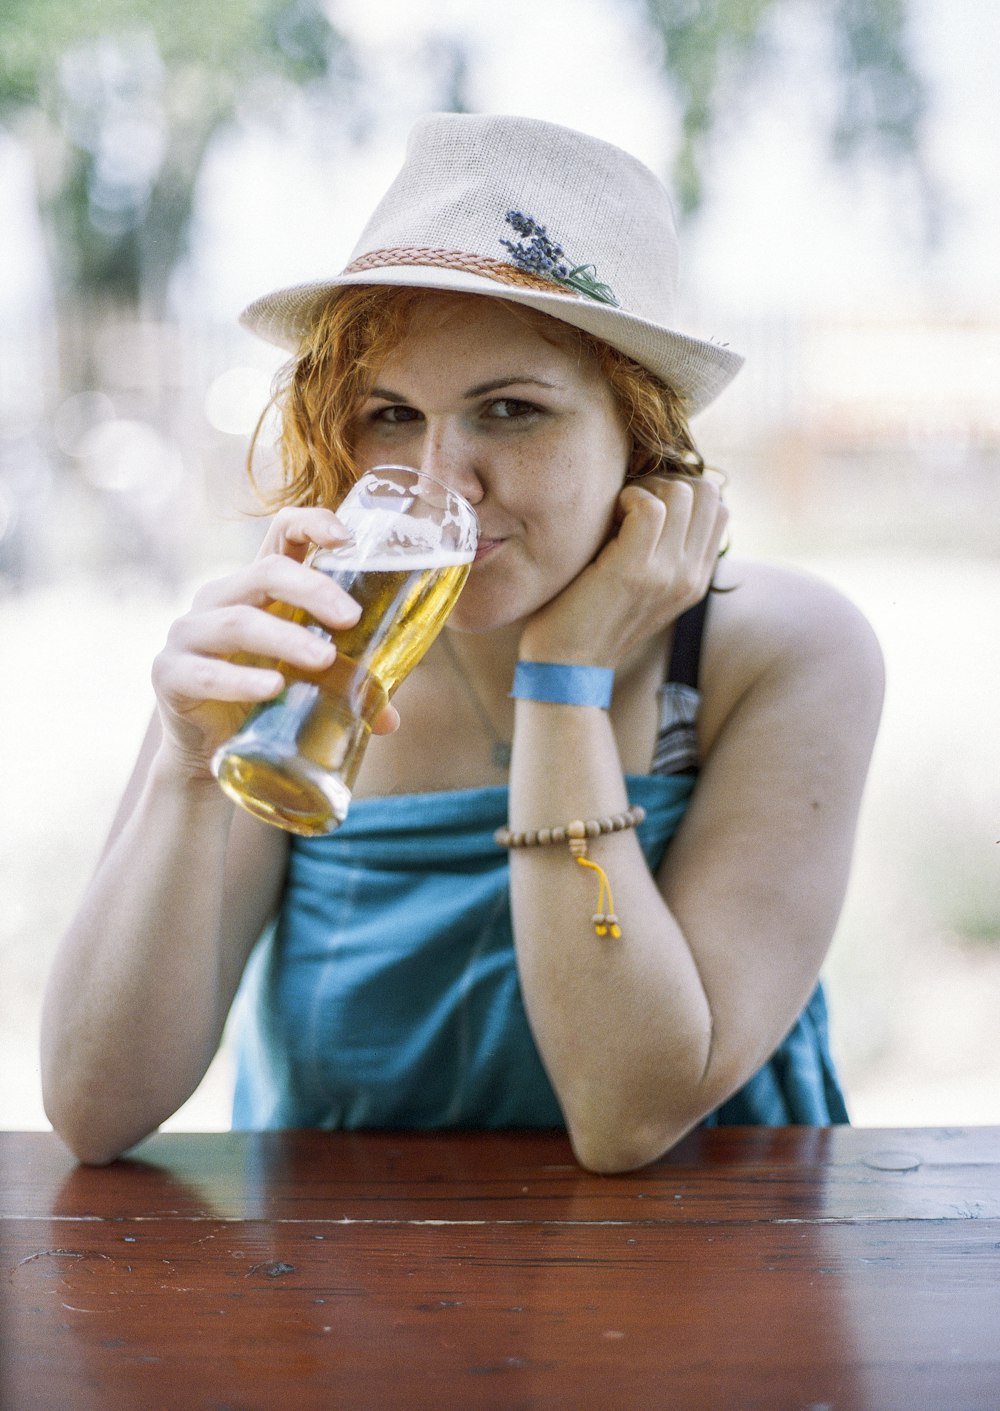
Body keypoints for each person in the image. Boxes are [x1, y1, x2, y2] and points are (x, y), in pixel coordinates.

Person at [41, 113, 883, 1172]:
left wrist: (563, 683)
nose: (438, 482)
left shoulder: (773, 652)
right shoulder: (303, 639)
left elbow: (627, 1113)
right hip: (343, 1298)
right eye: (389, 414)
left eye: (511, 410)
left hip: (703, 1294)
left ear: (641, 432)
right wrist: (186, 765)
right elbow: (92, 1106)